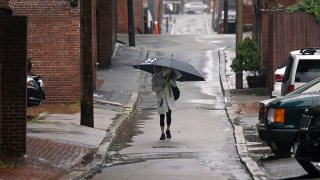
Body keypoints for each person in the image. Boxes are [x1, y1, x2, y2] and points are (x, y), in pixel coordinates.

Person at [152, 66, 178, 140]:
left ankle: (168, 130)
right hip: (161, 99)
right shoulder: (154, 78)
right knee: (162, 116)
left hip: (169, 98)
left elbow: (175, 85)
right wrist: (161, 86)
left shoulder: (168, 75)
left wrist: (169, 80)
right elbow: (154, 88)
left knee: (169, 115)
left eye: (160, 68)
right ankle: (162, 133)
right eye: (157, 68)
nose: (158, 69)